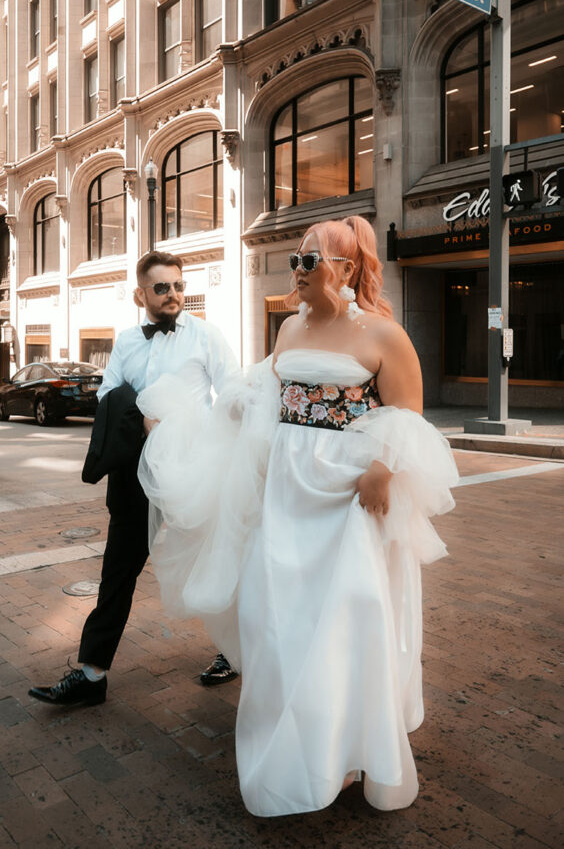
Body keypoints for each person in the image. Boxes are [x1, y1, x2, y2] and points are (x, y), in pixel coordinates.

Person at [136, 217, 458, 816]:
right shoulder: (288, 329)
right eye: (295, 260)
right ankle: (297, 747)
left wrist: (383, 468)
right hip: (287, 492)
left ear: (348, 269)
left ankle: (348, 749)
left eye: (310, 261)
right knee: (275, 618)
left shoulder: (385, 336)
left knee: (346, 618)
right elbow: (262, 395)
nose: (298, 271)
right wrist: (194, 422)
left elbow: (410, 413)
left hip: (349, 497)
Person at [28, 250, 239, 708]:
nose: (173, 294)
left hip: (194, 472)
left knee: (218, 559)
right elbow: (107, 395)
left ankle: (235, 651)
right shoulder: (126, 340)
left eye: (179, 285)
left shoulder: (207, 336)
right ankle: (91, 674)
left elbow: (233, 391)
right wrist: (141, 419)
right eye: (162, 287)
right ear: (140, 293)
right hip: (135, 474)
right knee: (117, 572)